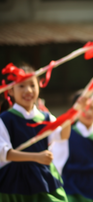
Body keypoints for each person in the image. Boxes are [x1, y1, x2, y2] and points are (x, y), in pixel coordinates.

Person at [0, 64, 71, 201]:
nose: (28, 90)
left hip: (44, 178)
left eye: (32, 85)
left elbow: (63, 135)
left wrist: (72, 114)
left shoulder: (45, 117)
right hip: (15, 181)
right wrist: (36, 157)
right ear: (10, 91)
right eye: (21, 86)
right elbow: (4, 153)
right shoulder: (5, 120)